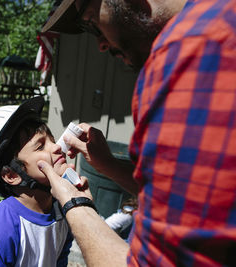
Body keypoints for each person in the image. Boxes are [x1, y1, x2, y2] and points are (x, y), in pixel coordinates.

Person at [39, 0, 236, 266]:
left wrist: (74, 203)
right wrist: (109, 166)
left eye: (91, 22)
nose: (101, 44)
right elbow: (193, 206)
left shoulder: (188, 53)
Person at [0, 96, 74, 266]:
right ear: (11, 175)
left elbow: (60, 258)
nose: (57, 147)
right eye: (40, 146)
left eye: (52, 139)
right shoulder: (2, 228)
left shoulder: (63, 211)